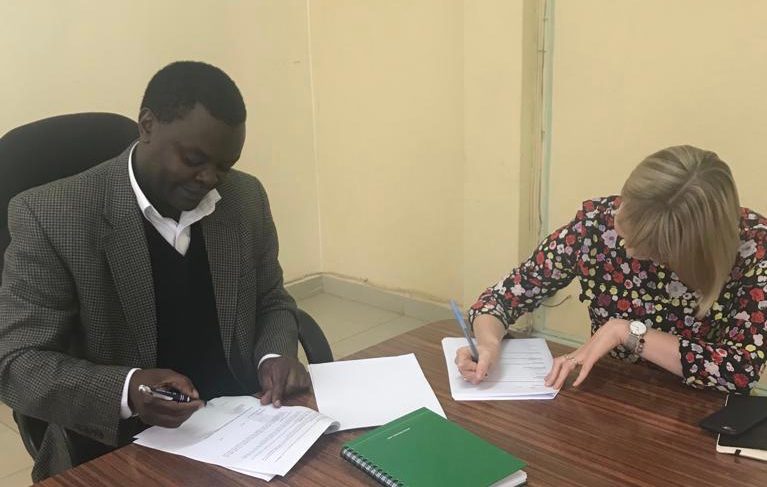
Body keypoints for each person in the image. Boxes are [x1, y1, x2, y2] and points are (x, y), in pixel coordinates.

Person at [0, 61, 309, 481]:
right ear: (147, 125)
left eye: (225, 165)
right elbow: (17, 362)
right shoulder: (51, 217)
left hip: (245, 431)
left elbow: (272, 299)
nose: (210, 179)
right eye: (195, 159)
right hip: (116, 444)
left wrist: (274, 354)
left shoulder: (244, 198)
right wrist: (128, 390)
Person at [456, 145, 767, 394]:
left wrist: (627, 331)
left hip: (703, 413)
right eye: (623, 222)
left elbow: (740, 370)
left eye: (650, 250)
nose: (626, 248)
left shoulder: (754, 249)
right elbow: (502, 298)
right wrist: (488, 342)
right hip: (608, 393)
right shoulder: (598, 226)